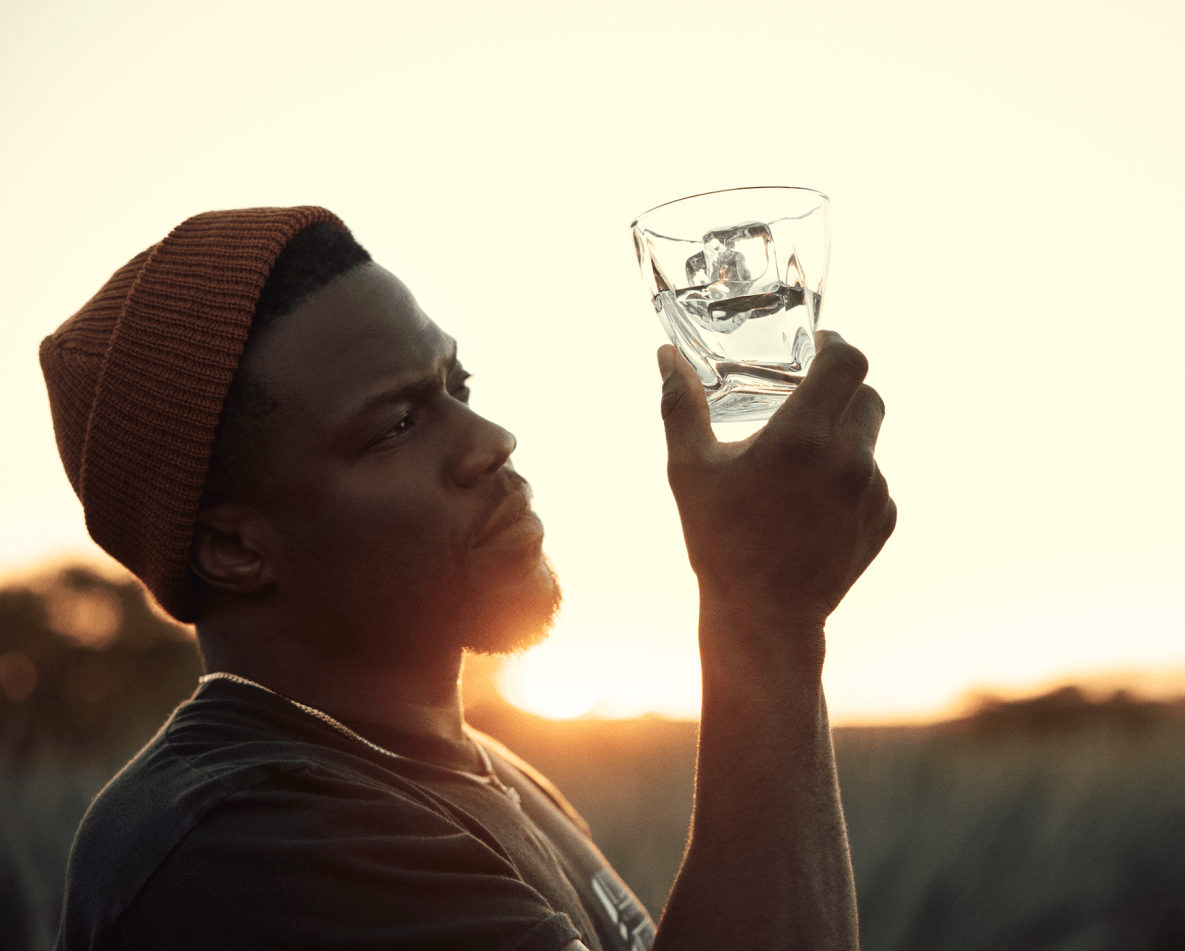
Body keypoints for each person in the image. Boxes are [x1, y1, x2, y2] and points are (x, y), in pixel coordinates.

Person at [39, 206, 896, 951]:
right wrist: (764, 614)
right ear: (233, 547)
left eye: (459, 384)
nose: (490, 440)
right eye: (395, 424)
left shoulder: (479, 770)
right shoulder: (239, 843)